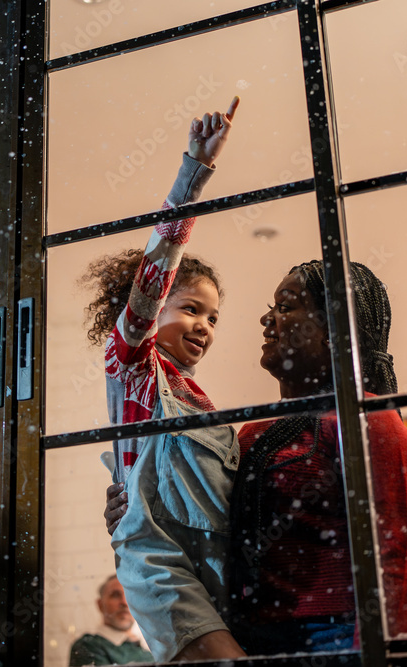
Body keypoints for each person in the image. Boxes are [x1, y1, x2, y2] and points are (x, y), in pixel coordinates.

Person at [105, 261, 407, 654]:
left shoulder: (365, 418)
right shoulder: (252, 433)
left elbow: (398, 560)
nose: (266, 319)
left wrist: (375, 651)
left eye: (286, 307)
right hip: (269, 641)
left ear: (332, 332)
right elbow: (211, 516)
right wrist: (136, 507)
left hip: (346, 634)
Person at [80, 96, 246, 663]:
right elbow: (156, 273)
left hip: (215, 562)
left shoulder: (200, 402)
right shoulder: (133, 368)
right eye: (191, 308)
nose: (204, 325)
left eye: (214, 317)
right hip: (160, 565)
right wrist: (193, 173)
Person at [69, 575, 153, 666]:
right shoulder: (87, 646)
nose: (124, 602)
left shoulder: (147, 649)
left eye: (130, 595)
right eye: (115, 595)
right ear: (100, 605)